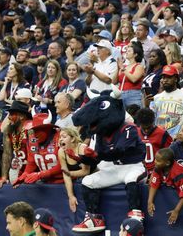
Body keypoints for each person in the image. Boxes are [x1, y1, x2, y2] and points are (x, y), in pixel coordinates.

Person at [72, 88, 146, 232]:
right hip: (115, 169)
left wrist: (96, 155)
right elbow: (97, 160)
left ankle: (135, 214)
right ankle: (94, 218)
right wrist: (80, 158)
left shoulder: (128, 128)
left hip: (133, 166)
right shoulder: (101, 134)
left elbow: (119, 152)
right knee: (88, 181)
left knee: (131, 178)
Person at [13, 113, 63, 186]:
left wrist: (41, 174)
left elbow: (64, 164)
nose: (34, 134)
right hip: (45, 182)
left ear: (47, 129)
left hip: (64, 182)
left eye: (37, 130)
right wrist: (25, 174)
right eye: (33, 130)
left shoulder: (60, 138)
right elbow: (32, 162)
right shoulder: (32, 140)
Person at [148, 148, 183, 224]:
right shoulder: (158, 167)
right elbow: (153, 184)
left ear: (167, 163)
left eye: (158, 161)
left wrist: (176, 211)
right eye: (155, 159)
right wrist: (150, 201)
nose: (155, 162)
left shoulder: (178, 172)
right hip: (175, 187)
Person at [0, 101, 33, 188]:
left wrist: (25, 175)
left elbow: (34, 155)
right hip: (17, 168)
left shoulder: (31, 129)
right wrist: (4, 177)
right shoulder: (8, 130)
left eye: (12, 114)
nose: (8, 117)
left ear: (21, 116)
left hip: (31, 171)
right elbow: (7, 154)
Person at [58, 127, 95, 212]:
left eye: (64, 137)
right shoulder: (61, 152)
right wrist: (71, 196)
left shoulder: (82, 148)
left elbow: (86, 171)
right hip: (78, 179)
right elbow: (65, 175)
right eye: (60, 137)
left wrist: (69, 173)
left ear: (73, 138)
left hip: (92, 177)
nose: (60, 139)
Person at [151, 65, 183, 138]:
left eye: (169, 77)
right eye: (163, 77)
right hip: (160, 138)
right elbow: (151, 119)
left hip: (178, 139)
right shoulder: (156, 98)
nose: (165, 80)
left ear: (176, 79)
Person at [136, 108, 172, 175]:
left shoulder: (163, 134)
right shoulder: (135, 133)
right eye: (144, 128)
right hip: (138, 171)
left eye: (149, 128)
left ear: (153, 122)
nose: (146, 131)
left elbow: (168, 156)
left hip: (157, 172)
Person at [118, 41, 145, 108]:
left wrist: (123, 69)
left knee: (134, 116)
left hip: (133, 94)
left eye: (129, 51)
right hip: (121, 94)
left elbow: (134, 79)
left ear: (135, 54)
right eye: (126, 51)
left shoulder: (139, 66)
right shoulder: (125, 66)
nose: (126, 52)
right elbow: (116, 81)